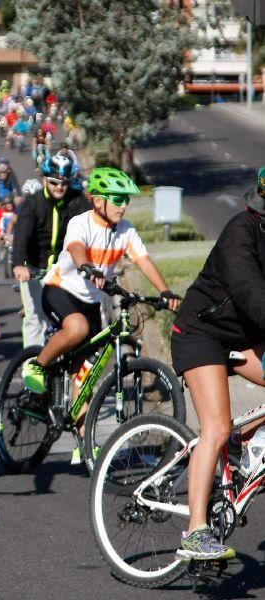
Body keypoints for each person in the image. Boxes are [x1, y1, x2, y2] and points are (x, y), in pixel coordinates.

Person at [21, 168, 180, 456]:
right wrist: (86, 266)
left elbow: (143, 260)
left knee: (85, 375)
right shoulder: (81, 223)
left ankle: (84, 442)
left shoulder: (126, 230)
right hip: (61, 290)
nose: (123, 205)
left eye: (126, 200)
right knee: (78, 329)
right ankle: (38, 365)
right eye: (117, 199)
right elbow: (77, 247)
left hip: (91, 302)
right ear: (97, 201)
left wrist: (165, 292)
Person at [169, 167, 265, 561]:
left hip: (239, 337)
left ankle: (243, 442)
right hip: (200, 334)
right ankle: (195, 531)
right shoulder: (240, 232)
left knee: (231, 431)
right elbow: (250, 292)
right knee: (216, 426)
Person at [12, 154, 90, 347]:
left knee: (72, 320)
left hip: (65, 272)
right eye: (54, 182)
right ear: (44, 179)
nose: (59, 187)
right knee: (35, 318)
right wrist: (18, 265)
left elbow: (92, 227)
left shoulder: (77, 200)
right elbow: (21, 235)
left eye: (64, 183)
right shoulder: (33, 202)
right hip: (34, 269)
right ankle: (31, 369)